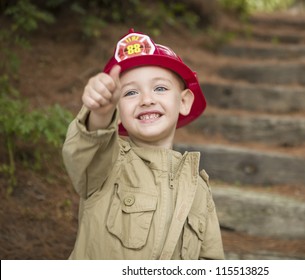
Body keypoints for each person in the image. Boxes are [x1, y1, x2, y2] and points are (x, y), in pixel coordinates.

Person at [62, 28, 224, 260]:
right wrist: (99, 113)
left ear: (184, 101)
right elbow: (85, 148)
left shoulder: (198, 188)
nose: (146, 100)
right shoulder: (107, 164)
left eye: (160, 88)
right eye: (130, 93)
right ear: (116, 111)